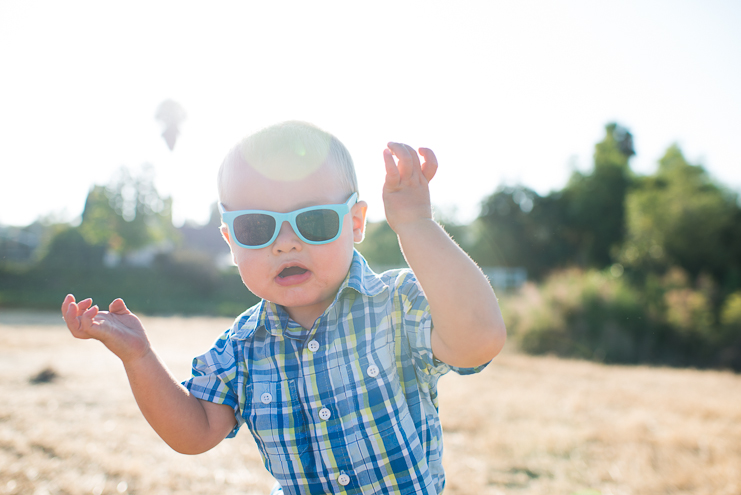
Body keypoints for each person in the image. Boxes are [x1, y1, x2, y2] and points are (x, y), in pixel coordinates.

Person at [62, 121, 506, 494]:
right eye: (256, 227)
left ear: (354, 223)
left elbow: (478, 340)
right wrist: (139, 358)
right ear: (231, 242)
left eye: (314, 221)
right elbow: (193, 433)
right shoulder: (241, 348)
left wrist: (415, 223)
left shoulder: (396, 305)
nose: (286, 242)